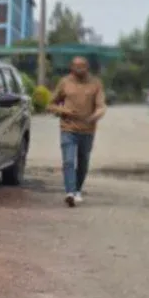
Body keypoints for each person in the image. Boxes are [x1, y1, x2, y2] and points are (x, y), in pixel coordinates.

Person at [48, 57, 106, 207]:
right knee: (68, 161)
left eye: (83, 67)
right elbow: (51, 104)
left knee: (83, 162)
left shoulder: (95, 84)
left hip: (87, 130)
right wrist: (63, 110)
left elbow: (101, 106)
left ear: (87, 67)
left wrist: (95, 116)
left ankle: (77, 190)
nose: (80, 69)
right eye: (77, 67)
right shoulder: (64, 82)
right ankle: (70, 192)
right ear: (71, 67)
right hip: (68, 128)